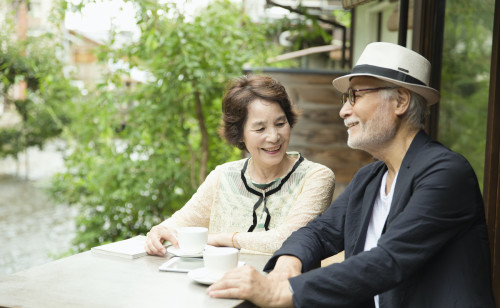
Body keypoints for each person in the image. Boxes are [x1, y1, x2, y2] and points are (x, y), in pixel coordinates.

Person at [207, 42, 496, 307]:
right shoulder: (371, 177)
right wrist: (288, 261)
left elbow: (388, 261)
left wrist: (282, 291)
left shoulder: (446, 174)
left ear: (400, 101)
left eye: (355, 95)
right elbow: (319, 233)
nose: (344, 110)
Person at [145, 74, 335, 256]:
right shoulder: (223, 176)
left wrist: (225, 239)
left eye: (280, 123)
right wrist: (160, 231)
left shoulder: (316, 177)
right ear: (239, 133)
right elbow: (180, 223)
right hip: (219, 285)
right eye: (260, 128)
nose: (274, 137)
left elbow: (291, 239)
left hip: (283, 287)